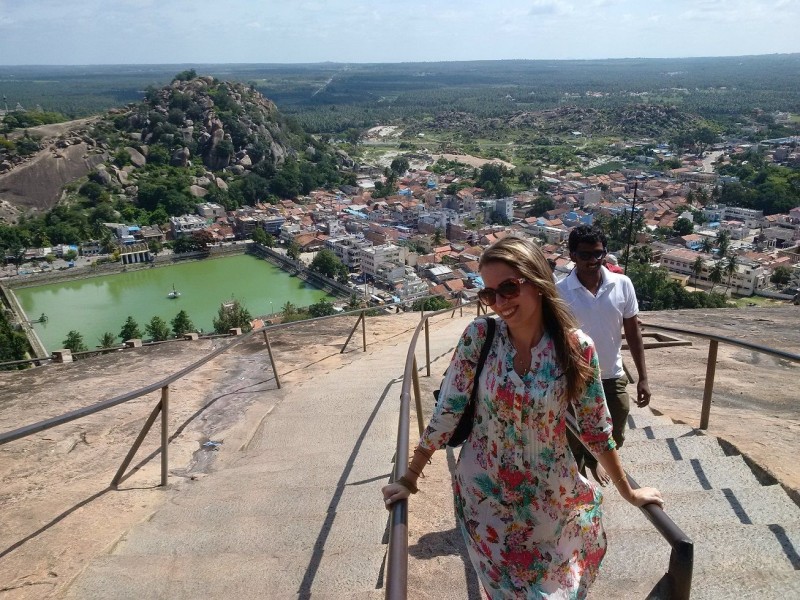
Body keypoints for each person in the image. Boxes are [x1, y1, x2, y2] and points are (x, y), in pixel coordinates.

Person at [382, 236, 663, 599]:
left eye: (509, 288)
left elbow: (595, 429)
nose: (499, 302)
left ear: (538, 282)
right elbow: (447, 412)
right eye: (489, 294)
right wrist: (409, 478)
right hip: (486, 499)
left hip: (552, 500)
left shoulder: (576, 347)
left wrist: (629, 491)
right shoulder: (480, 337)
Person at [557, 224, 650, 486]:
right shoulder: (560, 291)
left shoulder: (622, 284)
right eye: (585, 255)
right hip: (575, 377)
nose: (593, 261)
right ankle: (579, 477)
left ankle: (595, 460)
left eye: (598, 254)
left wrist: (643, 378)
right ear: (572, 256)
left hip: (612, 374)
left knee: (615, 431)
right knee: (573, 435)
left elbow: (632, 332)